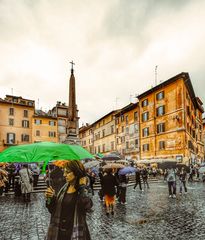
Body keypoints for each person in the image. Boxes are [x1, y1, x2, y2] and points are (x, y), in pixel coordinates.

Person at [45, 160, 93, 240]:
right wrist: (50, 198)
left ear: (76, 172)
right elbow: (52, 210)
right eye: (64, 172)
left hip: (75, 231)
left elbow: (87, 207)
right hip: (59, 232)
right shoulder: (63, 188)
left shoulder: (84, 189)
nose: (64, 175)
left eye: (67, 172)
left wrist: (82, 188)